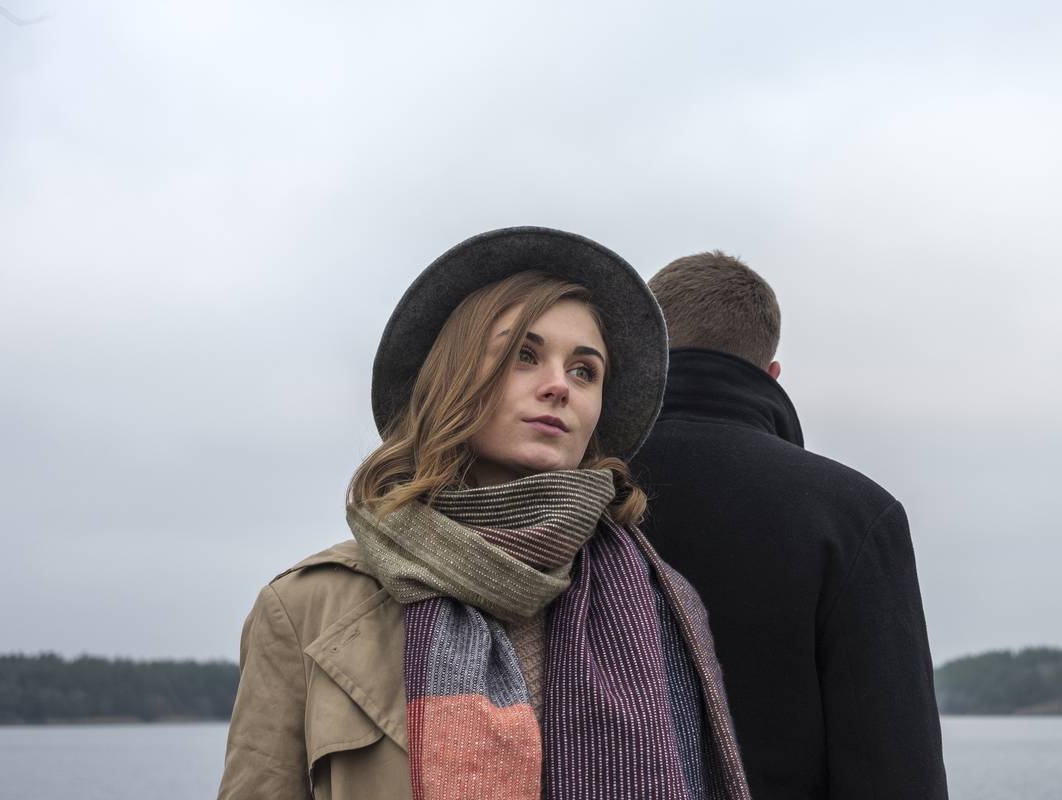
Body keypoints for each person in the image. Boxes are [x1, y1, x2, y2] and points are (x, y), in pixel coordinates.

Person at [217, 228, 751, 800]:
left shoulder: (665, 603)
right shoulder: (308, 609)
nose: (557, 387)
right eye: (524, 355)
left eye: (583, 371)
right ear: (453, 376)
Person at [630, 251, 948, 800]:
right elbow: (896, 765)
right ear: (771, 372)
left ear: (644, 354)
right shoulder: (855, 515)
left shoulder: (574, 489)